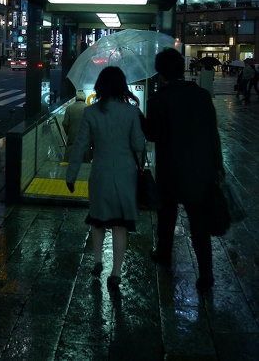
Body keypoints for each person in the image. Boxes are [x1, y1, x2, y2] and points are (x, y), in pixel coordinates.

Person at [141, 48, 225, 292]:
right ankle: (206, 271)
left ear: (160, 72)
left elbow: (153, 134)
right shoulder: (201, 96)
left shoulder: (159, 99)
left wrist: (140, 116)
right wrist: (217, 165)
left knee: (166, 216)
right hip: (201, 170)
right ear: (182, 69)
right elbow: (213, 134)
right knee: (199, 222)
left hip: (171, 170)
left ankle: (164, 254)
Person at [65, 66, 146, 290]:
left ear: (100, 86)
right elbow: (139, 145)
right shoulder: (131, 113)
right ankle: (116, 273)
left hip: (99, 174)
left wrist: (70, 175)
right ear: (122, 87)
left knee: (97, 220)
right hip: (125, 175)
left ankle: (98, 261)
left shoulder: (91, 112)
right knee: (120, 226)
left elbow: (80, 146)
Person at [62, 90, 90, 163]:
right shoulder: (89, 109)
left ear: (76, 99)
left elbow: (65, 123)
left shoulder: (69, 108)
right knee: (84, 162)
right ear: (85, 99)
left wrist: (69, 132)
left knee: (69, 160)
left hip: (72, 138)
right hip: (85, 139)